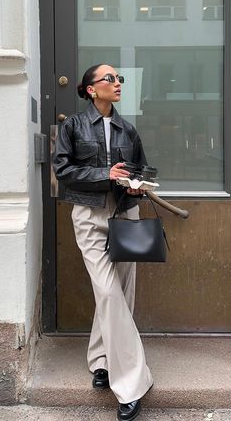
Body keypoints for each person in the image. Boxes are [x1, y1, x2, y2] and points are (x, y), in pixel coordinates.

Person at [52, 64, 153, 421]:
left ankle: (101, 359)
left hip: (126, 213)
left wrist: (137, 183)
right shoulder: (73, 126)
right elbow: (62, 170)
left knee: (119, 292)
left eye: (119, 78)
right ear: (91, 89)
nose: (117, 83)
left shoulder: (128, 128)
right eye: (109, 78)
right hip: (89, 213)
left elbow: (141, 167)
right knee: (108, 291)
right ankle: (132, 382)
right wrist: (103, 174)